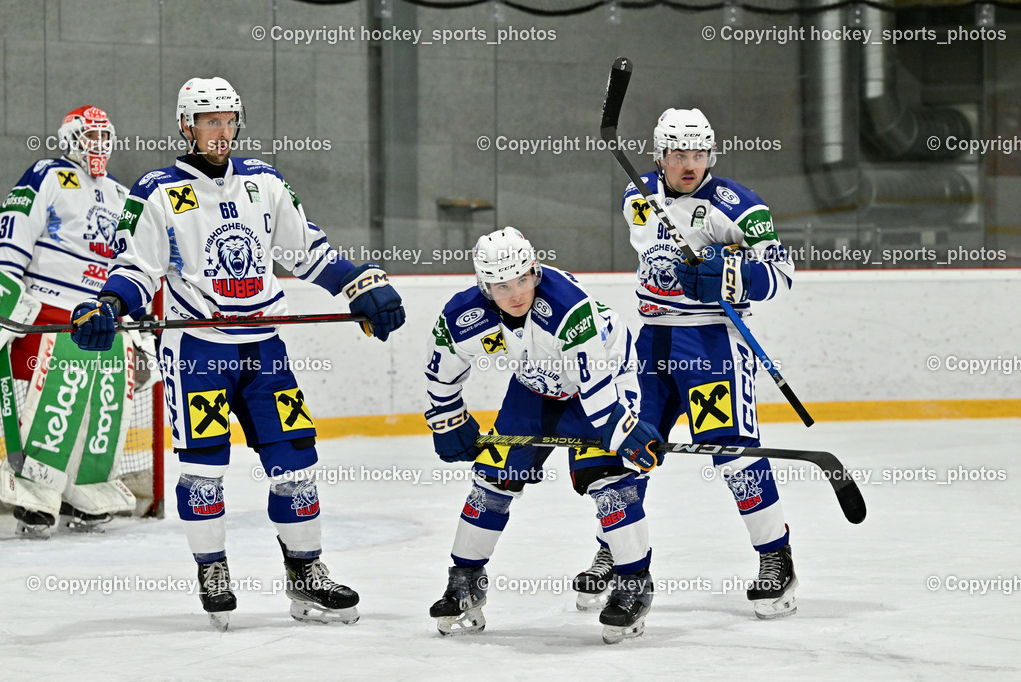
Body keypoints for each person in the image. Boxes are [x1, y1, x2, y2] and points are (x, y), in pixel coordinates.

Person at [69, 76, 406, 630]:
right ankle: (213, 569)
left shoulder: (265, 182)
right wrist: (108, 305)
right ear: (186, 126)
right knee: (203, 470)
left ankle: (307, 575)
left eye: (227, 121)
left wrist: (360, 285)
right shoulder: (154, 190)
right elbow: (135, 266)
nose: (220, 132)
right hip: (198, 351)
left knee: (297, 461)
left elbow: (308, 252)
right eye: (209, 122)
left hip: (264, 348)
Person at [575, 108, 799, 620]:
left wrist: (729, 276)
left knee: (732, 454)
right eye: (679, 155)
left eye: (699, 154)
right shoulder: (639, 194)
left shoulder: (737, 205)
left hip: (712, 346)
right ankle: (617, 549)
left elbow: (782, 273)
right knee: (628, 447)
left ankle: (776, 560)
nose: (690, 164)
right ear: (660, 156)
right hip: (652, 342)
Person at [424, 227, 662, 643]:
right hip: (533, 387)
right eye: (501, 285)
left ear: (534, 271)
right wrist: (447, 418)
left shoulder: (569, 308)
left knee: (608, 482)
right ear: (485, 286)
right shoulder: (463, 315)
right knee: (492, 479)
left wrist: (620, 428)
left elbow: (597, 384)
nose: (515, 293)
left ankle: (633, 584)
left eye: (521, 280)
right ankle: (464, 581)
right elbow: (442, 368)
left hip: (600, 380)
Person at [0, 105, 144, 539]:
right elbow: (14, 229)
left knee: (105, 407)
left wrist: (141, 317)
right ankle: (35, 496)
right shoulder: (46, 174)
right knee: (55, 402)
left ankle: (85, 487)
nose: (97, 145)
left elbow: (136, 259)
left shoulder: (121, 195)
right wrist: (5, 291)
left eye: (104, 137)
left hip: (103, 316)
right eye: (89, 136)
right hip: (50, 311)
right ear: (69, 137)